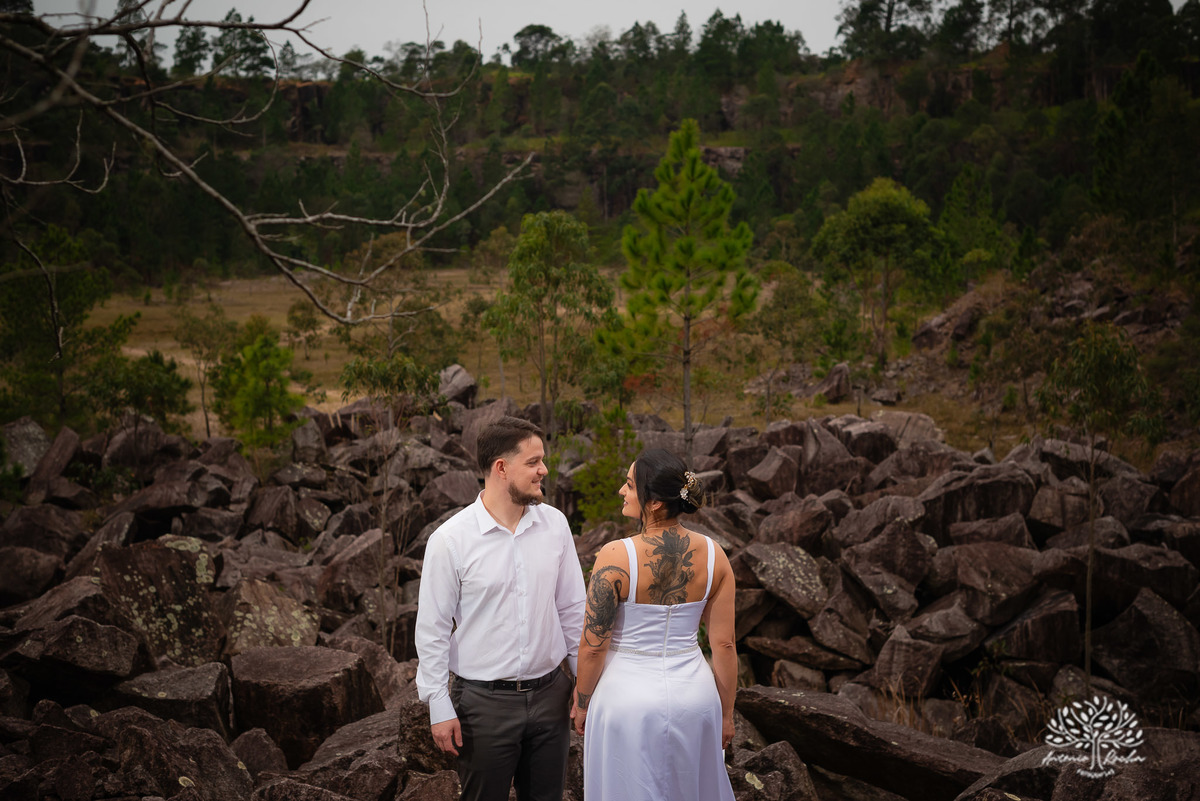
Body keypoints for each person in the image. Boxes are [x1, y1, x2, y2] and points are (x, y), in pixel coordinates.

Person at [415, 416, 586, 801]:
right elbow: (433, 628)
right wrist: (438, 704)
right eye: (533, 462)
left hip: (551, 696)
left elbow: (573, 608)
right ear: (501, 468)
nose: (544, 470)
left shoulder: (555, 525)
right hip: (482, 705)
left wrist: (584, 684)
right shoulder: (450, 541)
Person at [573, 448, 737, 801]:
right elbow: (724, 645)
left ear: (655, 504)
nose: (621, 490)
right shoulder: (716, 555)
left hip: (626, 699)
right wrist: (726, 715)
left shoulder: (615, 556)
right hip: (695, 695)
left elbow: (592, 645)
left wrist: (582, 702)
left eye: (630, 485)